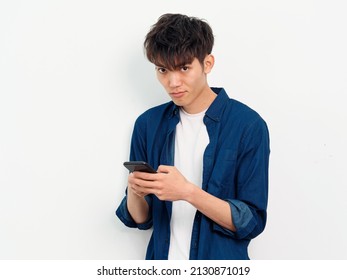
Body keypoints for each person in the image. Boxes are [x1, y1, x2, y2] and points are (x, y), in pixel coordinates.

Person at [116, 13, 270, 260]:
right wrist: (135, 192)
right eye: (163, 70)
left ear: (207, 64)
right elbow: (141, 219)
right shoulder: (148, 124)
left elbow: (251, 221)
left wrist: (187, 192)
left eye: (184, 67)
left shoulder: (248, 125)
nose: (172, 82)